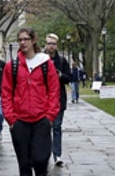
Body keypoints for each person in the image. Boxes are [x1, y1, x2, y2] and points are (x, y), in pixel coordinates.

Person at [2, 27, 59, 176]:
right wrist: (11, 119)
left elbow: (54, 91)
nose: (22, 42)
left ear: (33, 41)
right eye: (20, 39)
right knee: (24, 165)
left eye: (26, 39)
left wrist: (50, 117)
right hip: (20, 121)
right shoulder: (12, 66)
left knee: (40, 161)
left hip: (41, 120)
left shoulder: (46, 64)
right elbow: (6, 93)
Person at [44, 33, 73, 167]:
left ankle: (57, 154)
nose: (51, 46)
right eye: (49, 43)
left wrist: (60, 75)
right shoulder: (40, 59)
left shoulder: (62, 61)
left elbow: (69, 78)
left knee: (56, 127)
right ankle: (44, 154)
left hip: (58, 99)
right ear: (46, 44)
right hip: (43, 99)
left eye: (54, 44)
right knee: (44, 128)